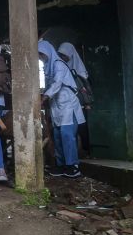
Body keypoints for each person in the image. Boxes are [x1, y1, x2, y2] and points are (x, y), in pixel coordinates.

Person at [40, 40, 85, 178]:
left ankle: (73, 166)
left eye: (42, 54)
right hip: (58, 107)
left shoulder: (58, 65)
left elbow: (57, 84)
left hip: (67, 105)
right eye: (39, 55)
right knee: (58, 136)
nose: (41, 57)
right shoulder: (48, 68)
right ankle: (61, 165)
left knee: (67, 135)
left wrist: (45, 97)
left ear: (49, 53)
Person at [57, 42, 92, 156]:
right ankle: (74, 152)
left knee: (81, 127)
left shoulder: (80, 70)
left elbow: (86, 89)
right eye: (60, 55)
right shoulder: (60, 66)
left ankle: (85, 151)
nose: (62, 58)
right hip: (67, 104)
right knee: (70, 129)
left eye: (64, 55)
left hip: (80, 103)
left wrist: (87, 102)